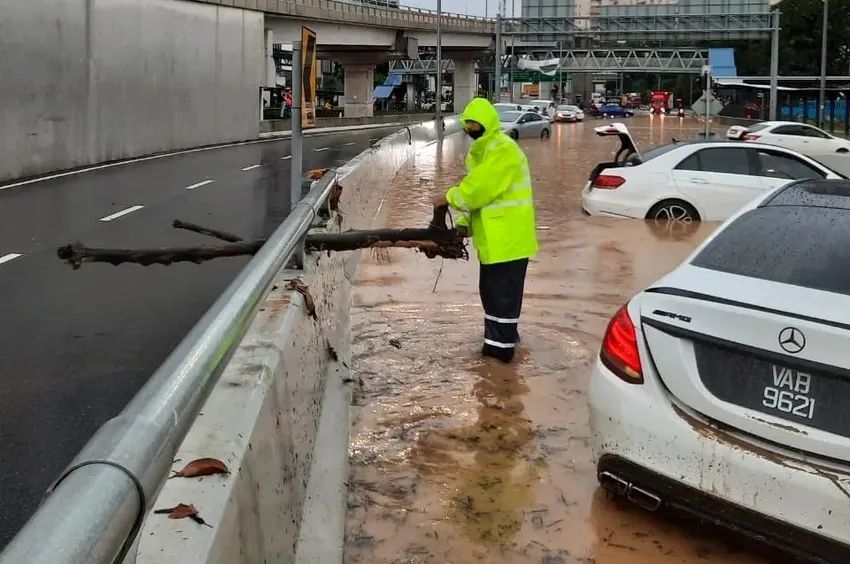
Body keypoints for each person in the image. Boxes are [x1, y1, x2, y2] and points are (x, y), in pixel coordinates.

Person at [432, 98, 538, 363]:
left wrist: (447, 197)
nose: (470, 128)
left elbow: (478, 190)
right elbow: (484, 200)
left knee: (501, 298)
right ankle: (503, 342)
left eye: (474, 123)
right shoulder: (484, 152)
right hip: (495, 243)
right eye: (467, 123)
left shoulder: (502, 150)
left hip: (508, 241)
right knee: (493, 296)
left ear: (487, 123)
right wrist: (464, 225)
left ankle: (498, 360)